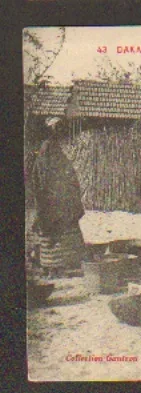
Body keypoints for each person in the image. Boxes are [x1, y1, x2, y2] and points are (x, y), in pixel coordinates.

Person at [31, 117, 86, 278]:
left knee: (61, 230)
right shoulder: (46, 154)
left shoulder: (53, 154)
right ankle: (53, 266)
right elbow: (42, 182)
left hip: (59, 202)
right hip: (51, 203)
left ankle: (58, 265)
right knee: (53, 231)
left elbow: (67, 178)